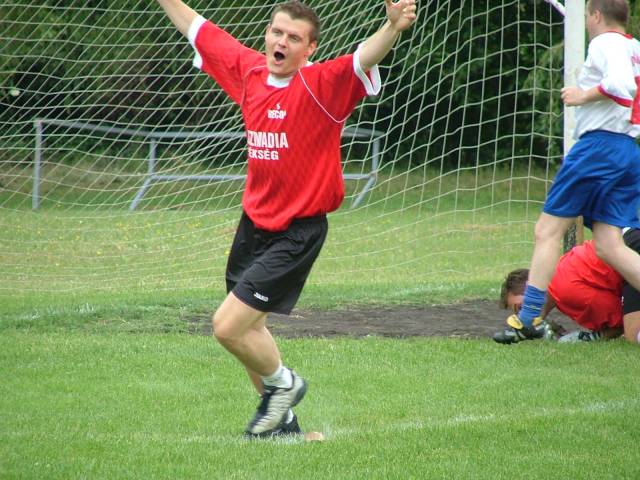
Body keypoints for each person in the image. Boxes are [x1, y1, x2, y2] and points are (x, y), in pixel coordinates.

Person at [156, 0, 417, 438]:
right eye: (277, 32)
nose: (282, 41)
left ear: (309, 48)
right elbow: (197, 28)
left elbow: (362, 58)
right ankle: (284, 428)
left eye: (294, 37)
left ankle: (285, 384)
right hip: (253, 224)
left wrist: (392, 28)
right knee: (250, 329)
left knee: (226, 327)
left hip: (298, 232)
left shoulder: (321, 84)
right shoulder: (249, 71)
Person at [497, 0, 640, 347]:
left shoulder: (605, 43)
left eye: (587, 16)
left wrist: (581, 96)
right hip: (627, 149)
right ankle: (530, 318)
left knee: (547, 230)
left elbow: (620, 86)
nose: (586, 23)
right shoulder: (634, 47)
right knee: (609, 245)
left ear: (595, 15)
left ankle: (528, 319)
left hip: (598, 147)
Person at [494, 228, 640, 344]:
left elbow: (618, 325)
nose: (523, 316)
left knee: (633, 335)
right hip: (627, 241)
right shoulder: (559, 276)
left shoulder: (563, 291)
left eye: (520, 308)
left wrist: (590, 338)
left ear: (531, 286)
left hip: (630, 247)